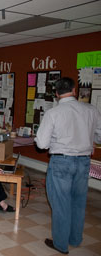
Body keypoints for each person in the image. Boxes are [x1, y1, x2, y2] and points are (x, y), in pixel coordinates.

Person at [35, 77, 101, 254]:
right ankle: (75, 239)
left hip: (61, 162)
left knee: (60, 203)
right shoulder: (92, 110)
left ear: (56, 94)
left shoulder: (53, 113)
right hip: (84, 161)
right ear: (74, 90)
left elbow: (41, 144)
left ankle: (61, 244)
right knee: (78, 202)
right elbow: (100, 136)